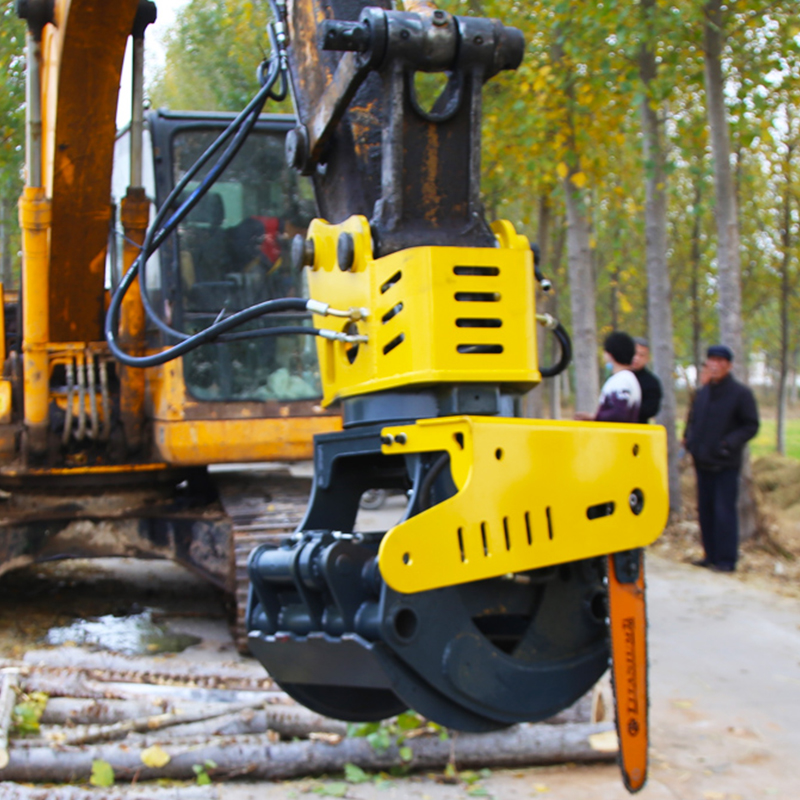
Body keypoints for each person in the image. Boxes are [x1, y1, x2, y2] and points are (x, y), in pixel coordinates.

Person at [685, 345, 759, 573]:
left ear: (729, 365)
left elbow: (751, 425)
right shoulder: (704, 392)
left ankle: (727, 559)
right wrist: (689, 440)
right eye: (711, 361)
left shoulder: (740, 394)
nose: (715, 365)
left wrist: (728, 443)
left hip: (725, 463)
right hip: (702, 460)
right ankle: (710, 555)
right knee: (705, 510)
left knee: (724, 511)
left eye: (720, 361)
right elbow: (693, 420)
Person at [575, 331, 642, 423]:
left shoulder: (622, 380)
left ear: (610, 354)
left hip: (617, 436)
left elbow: (619, 413)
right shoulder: (629, 378)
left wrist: (594, 417)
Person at [631, 337, 662, 423]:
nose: (636, 358)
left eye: (641, 355)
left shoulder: (652, 382)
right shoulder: (619, 377)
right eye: (634, 354)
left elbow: (651, 409)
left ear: (647, 358)